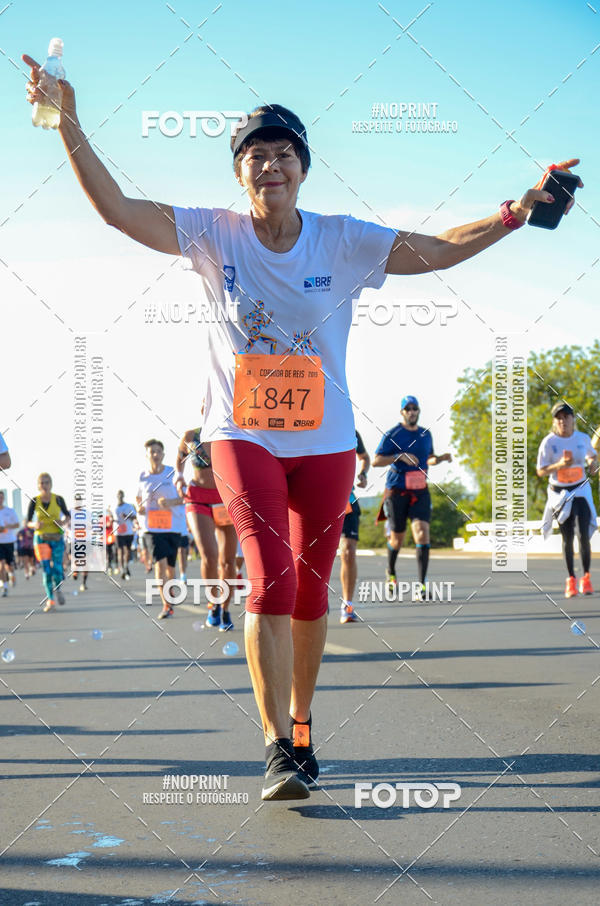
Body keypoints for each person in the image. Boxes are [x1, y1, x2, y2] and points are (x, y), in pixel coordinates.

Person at [23, 56, 581, 799]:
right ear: (239, 175)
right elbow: (120, 210)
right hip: (240, 435)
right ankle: (276, 747)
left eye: (284, 153)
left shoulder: (340, 240)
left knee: (312, 594)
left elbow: (439, 248)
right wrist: (69, 122)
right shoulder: (211, 233)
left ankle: (303, 722)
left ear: (303, 171)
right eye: (255, 155)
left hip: (324, 443)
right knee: (271, 578)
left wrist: (515, 211)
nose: (270, 164)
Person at [373, 396, 452, 601]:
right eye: (407, 409)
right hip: (397, 491)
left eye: (414, 408)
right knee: (397, 538)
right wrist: (400, 456)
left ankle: (422, 585)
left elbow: (429, 459)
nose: (411, 412)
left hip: (420, 491)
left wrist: (440, 459)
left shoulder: (426, 435)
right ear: (402, 412)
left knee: (422, 532)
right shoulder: (393, 434)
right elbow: (376, 461)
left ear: (418, 411)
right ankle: (390, 572)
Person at [176, 426, 238, 632]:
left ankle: (225, 609)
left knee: (227, 561)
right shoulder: (191, 435)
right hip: (197, 498)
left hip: (225, 500)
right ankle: (214, 603)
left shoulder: (231, 431)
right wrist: (178, 477)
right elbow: (180, 459)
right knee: (210, 556)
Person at [537, 402, 598, 598]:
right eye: (559, 417)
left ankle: (586, 578)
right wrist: (559, 465)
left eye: (567, 416)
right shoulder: (549, 442)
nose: (563, 420)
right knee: (568, 536)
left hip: (580, 489)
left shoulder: (582, 438)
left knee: (583, 534)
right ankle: (571, 579)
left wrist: (592, 464)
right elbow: (540, 471)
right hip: (559, 493)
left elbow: (591, 456)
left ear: (573, 419)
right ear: (555, 421)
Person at [136, 439, 183, 619]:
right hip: (152, 527)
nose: (155, 455)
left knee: (171, 567)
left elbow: (184, 497)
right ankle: (166, 605)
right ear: (147, 455)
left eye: (158, 451)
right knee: (160, 565)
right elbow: (138, 496)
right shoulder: (143, 476)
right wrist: (138, 505)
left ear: (163, 454)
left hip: (173, 525)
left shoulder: (172, 473)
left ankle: (169, 593)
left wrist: (170, 502)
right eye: (151, 452)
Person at [339, 430, 370, 624]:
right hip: (316, 500)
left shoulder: (350, 429)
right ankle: (313, 597)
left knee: (348, 552)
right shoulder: (310, 424)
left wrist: (363, 473)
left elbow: (364, 457)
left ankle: (347, 605)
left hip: (346, 500)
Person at [26, 473, 69, 611]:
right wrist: (34, 525)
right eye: (42, 483)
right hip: (41, 539)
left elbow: (68, 515)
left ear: (51, 484)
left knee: (57, 568)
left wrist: (63, 522)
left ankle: (58, 589)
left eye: (47, 482)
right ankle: (50, 599)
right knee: (46, 570)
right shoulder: (34, 501)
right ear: (38, 486)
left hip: (56, 537)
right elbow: (27, 522)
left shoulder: (59, 499)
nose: (44, 485)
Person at [0, 491, 19, 596]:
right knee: (1, 565)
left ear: (3, 499)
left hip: (9, 541)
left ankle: (11, 574)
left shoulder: (10, 511)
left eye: (1, 497)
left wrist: (6, 528)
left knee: (9, 565)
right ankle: (5, 586)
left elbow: (17, 524)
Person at [115, 490, 136, 580]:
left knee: (127, 550)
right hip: (118, 532)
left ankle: (126, 565)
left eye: (121, 495)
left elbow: (134, 517)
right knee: (120, 551)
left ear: (123, 496)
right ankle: (122, 569)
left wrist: (126, 516)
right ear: (116, 496)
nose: (120, 497)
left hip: (128, 531)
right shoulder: (113, 507)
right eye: (118, 495)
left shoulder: (129, 506)